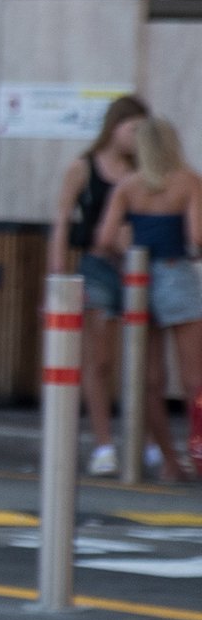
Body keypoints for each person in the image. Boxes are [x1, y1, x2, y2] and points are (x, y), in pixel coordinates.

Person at [96, 117, 202, 484]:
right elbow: (198, 236)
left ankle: (170, 462)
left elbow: (106, 238)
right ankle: (198, 451)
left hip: (139, 279)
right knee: (195, 379)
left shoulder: (128, 185)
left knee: (150, 379)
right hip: (177, 272)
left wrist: (128, 259)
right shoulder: (189, 181)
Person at [50, 96, 151, 476]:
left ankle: (146, 441)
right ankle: (104, 443)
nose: (138, 138)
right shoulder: (84, 167)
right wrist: (58, 273)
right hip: (96, 264)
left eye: (144, 131)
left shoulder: (142, 169)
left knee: (144, 361)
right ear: (114, 127)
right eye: (133, 129)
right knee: (100, 358)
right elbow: (61, 219)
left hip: (136, 266)